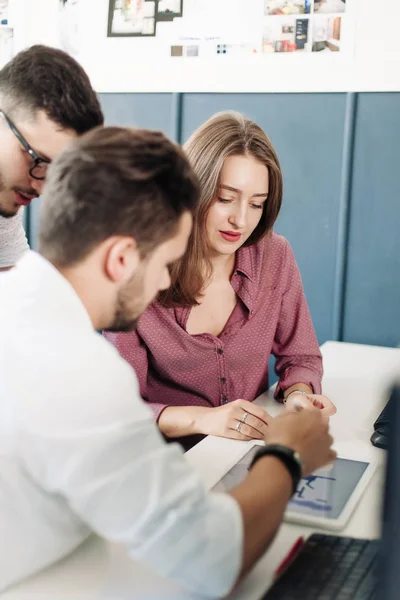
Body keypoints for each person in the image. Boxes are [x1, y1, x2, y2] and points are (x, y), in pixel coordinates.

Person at [0, 125, 335, 596]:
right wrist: (288, 455)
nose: (164, 286)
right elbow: (211, 559)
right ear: (120, 259)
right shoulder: (83, 376)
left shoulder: (14, 306)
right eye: (164, 264)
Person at [105, 112, 336, 444]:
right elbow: (119, 409)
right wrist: (204, 420)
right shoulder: (138, 269)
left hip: (242, 450)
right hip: (160, 456)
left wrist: (299, 394)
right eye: (225, 198)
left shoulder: (274, 256)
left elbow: (300, 357)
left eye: (256, 204)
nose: (240, 220)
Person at [0, 44, 104, 270]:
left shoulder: (6, 194)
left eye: (57, 172)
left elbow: (11, 285)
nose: (41, 188)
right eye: (35, 158)